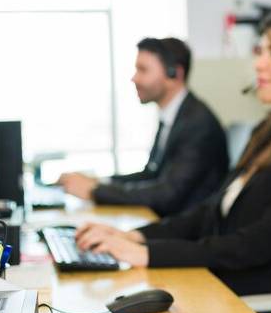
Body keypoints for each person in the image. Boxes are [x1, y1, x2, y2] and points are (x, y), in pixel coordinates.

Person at [75, 5, 271, 300]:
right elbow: (210, 212)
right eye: (260, 51)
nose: (259, 64)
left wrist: (147, 253)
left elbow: (258, 243)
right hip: (230, 282)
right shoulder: (266, 131)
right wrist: (136, 236)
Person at [59, 37, 228, 217]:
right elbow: (150, 174)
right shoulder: (174, 116)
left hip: (186, 233)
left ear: (174, 74)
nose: (134, 78)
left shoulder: (197, 123)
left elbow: (167, 194)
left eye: (143, 70)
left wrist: (96, 191)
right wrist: (99, 182)